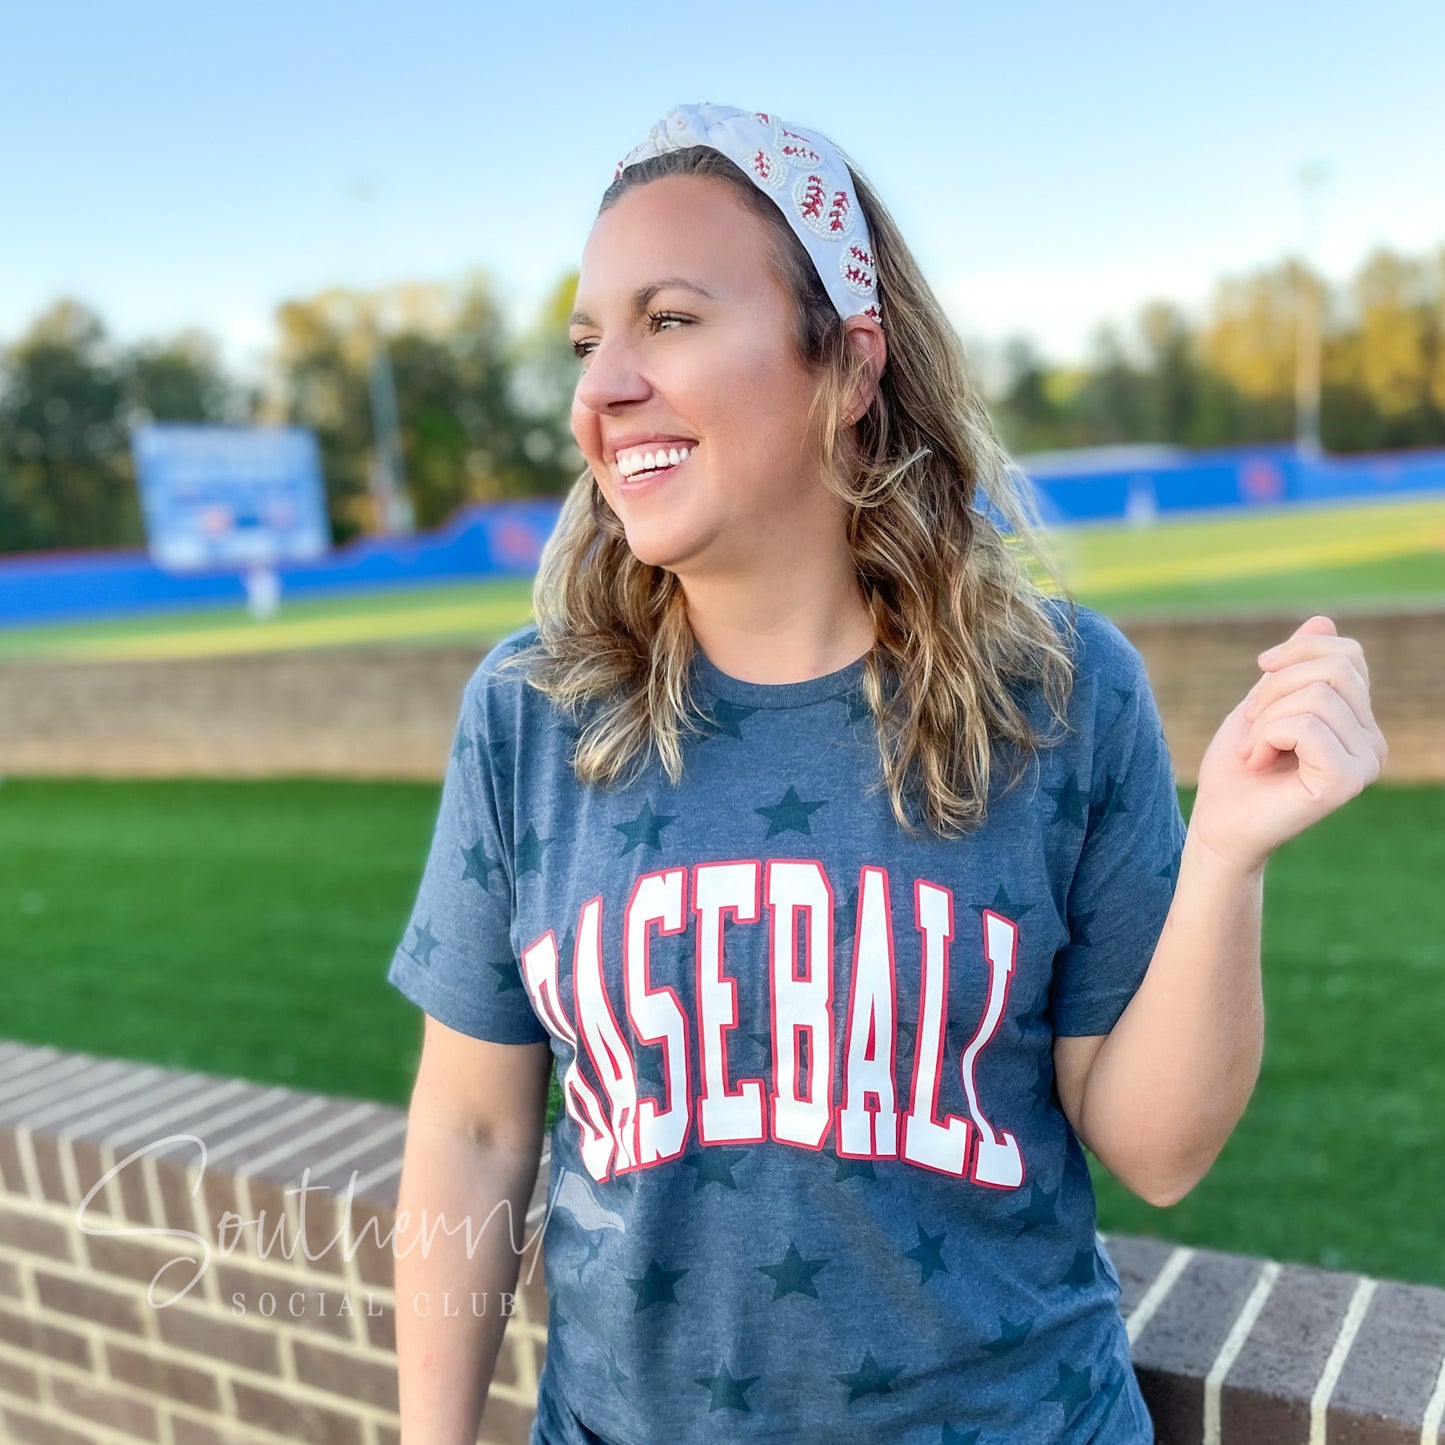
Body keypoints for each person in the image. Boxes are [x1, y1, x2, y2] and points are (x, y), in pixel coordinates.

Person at [386, 102, 1387, 1444]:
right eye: (586, 339)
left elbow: (1156, 1148)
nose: (599, 386)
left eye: (669, 319)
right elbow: (470, 1127)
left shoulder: (1060, 691)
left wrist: (1226, 855)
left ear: (846, 366)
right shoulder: (529, 710)